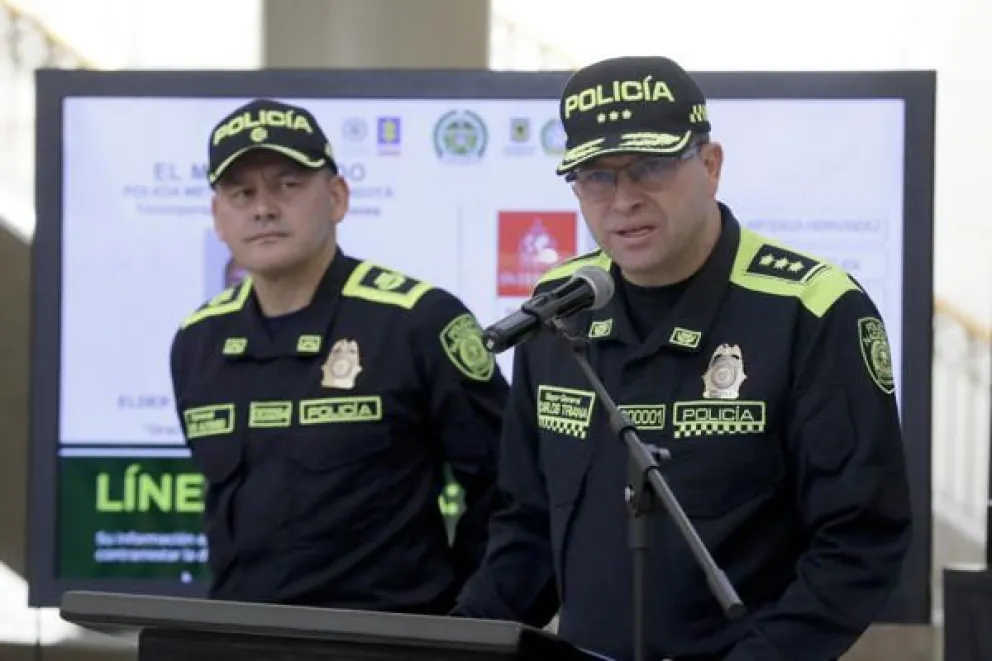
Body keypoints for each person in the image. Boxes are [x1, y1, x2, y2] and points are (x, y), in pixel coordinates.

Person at [453, 56, 913, 661]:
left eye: (650, 167)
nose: (624, 200)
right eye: (595, 176)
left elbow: (858, 542)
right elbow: (527, 530)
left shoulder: (815, 310)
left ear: (710, 165)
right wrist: (452, 643)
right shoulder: (557, 309)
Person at [170, 98, 508, 613]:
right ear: (219, 217)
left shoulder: (418, 321)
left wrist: (466, 625)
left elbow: (509, 491)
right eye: (242, 192)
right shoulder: (198, 341)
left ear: (337, 197)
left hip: (391, 644)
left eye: (288, 185)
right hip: (240, 639)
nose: (264, 207)